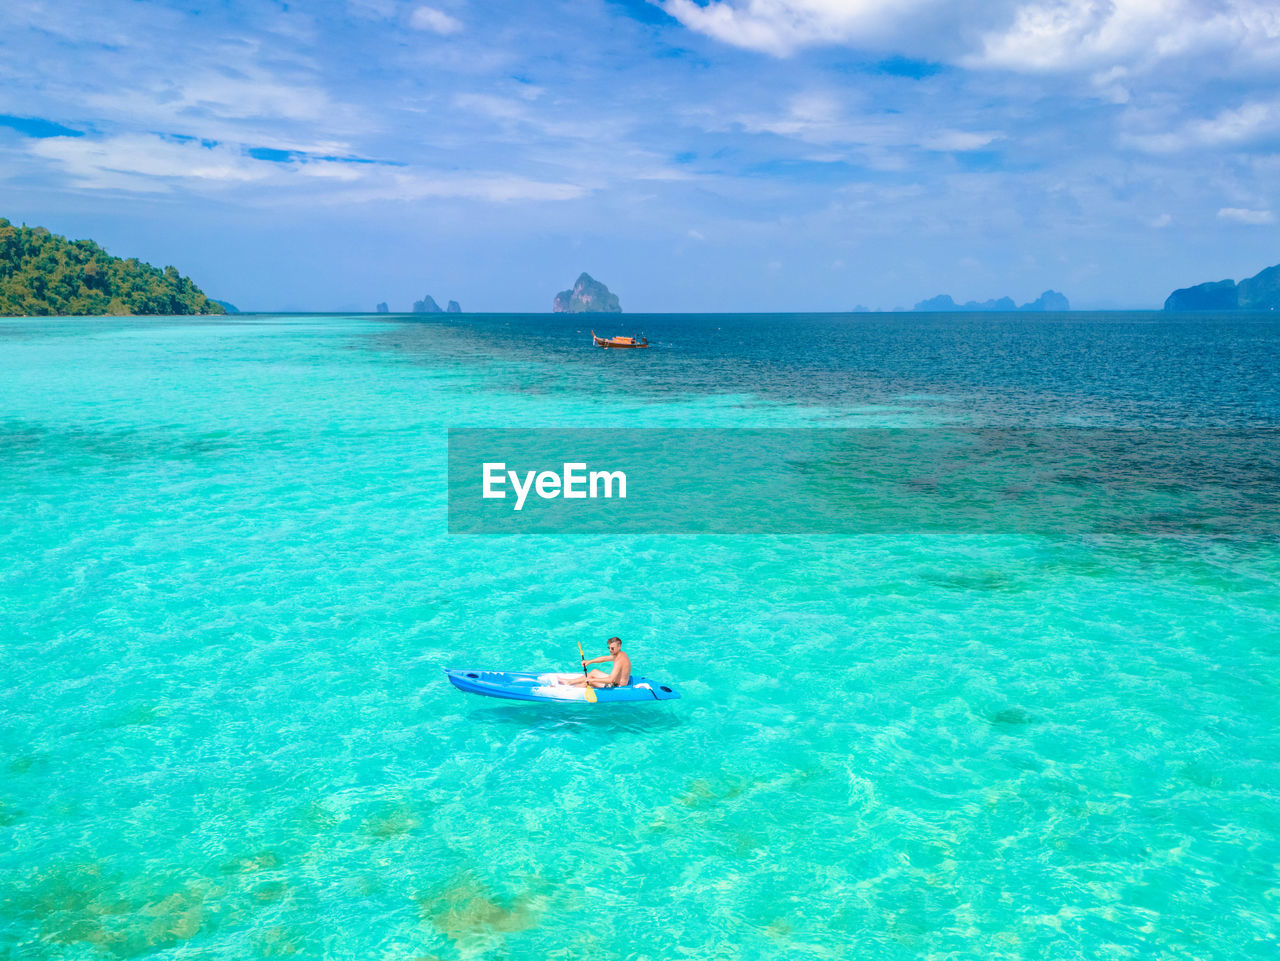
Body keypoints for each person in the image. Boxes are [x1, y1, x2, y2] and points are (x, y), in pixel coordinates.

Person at [562, 636, 631, 688]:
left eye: (612, 648)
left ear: (619, 647)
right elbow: (604, 658)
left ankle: (570, 690)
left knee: (589, 682)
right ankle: (569, 682)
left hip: (617, 686)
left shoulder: (619, 659)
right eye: (609, 648)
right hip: (615, 681)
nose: (610, 650)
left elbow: (610, 680)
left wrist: (592, 680)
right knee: (594, 671)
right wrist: (589, 661)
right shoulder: (620, 654)